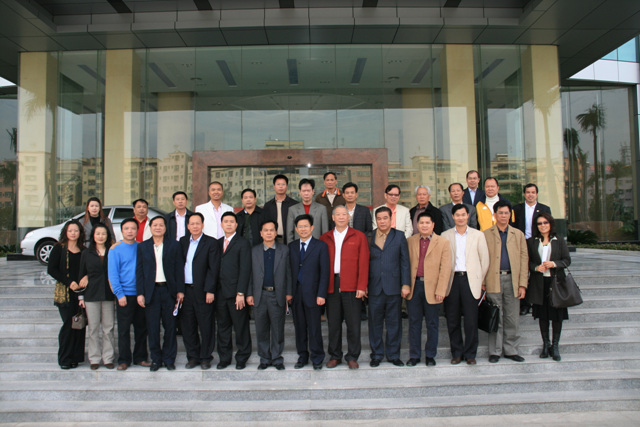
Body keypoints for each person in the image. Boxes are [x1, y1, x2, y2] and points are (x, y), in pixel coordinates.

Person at [320, 205, 369, 369]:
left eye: (344, 214)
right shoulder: (325, 237)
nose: (341, 217)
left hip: (352, 285)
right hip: (332, 285)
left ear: (349, 217)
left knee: (353, 324)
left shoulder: (359, 236)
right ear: (333, 218)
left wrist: (362, 286)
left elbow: (364, 263)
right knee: (333, 324)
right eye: (338, 214)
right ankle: (335, 356)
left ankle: (352, 356)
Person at [441, 204, 490, 365]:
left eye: (463, 215)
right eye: (457, 215)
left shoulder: (478, 235)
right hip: (452, 280)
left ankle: (470, 354)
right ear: (453, 217)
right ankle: (456, 353)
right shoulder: (445, 235)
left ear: (468, 216)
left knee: (471, 320)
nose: (460, 218)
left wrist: (481, 280)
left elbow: (485, 260)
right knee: (452, 319)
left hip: (471, 280)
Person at [136, 216, 185, 371]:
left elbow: (179, 269)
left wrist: (180, 290)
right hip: (151, 292)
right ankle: (156, 359)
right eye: (155, 225)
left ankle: (169, 359)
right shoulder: (143, 246)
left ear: (165, 228)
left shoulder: (174, 245)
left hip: (169, 291)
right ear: (150, 228)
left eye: (161, 225)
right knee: (153, 328)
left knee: (170, 327)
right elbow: (139, 271)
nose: (158, 227)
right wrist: (140, 293)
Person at [483, 201, 528, 364]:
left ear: (511, 215)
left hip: (513, 280)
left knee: (512, 317)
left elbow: (524, 259)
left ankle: (511, 350)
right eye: (500, 213)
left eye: (506, 213)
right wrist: (483, 282)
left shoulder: (518, 234)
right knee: (496, 316)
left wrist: (523, 284)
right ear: (495, 215)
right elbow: (481, 259)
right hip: (493, 280)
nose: (503, 216)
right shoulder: (486, 234)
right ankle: (495, 351)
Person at [404, 211, 451, 367]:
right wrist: (405, 285)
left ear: (433, 225)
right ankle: (414, 355)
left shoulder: (443, 242)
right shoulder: (410, 241)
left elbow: (445, 268)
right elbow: (405, 265)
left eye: (427, 223)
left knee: (432, 323)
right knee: (414, 323)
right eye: (421, 223)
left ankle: (430, 355)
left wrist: (441, 290)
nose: (424, 225)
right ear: (417, 225)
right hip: (414, 286)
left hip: (433, 288)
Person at [247, 220, 293, 370]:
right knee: (261, 329)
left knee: (278, 328)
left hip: (277, 295)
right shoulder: (254, 251)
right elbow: (249, 274)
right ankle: (265, 358)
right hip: (259, 295)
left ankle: (277, 358)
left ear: (275, 232)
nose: (268, 233)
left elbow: (289, 273)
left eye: (271, 230)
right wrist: (249, 293)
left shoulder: (284, 250)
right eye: (265, 230)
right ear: (261, 233)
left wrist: (289, 292)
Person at [367, 206, 410, 367]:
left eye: (385, 218)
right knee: (375, 323)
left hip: (393, 287)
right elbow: (364, 262)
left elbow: (405, 261)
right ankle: (376, 354)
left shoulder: (399, 236)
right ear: (375, 220)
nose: (382, 221)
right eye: (379, 218)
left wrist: (405, 284)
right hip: (374, 287)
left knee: (394, 323)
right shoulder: (369, 237)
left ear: (391, 219)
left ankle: (393, 355)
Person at [527, 212, 571, 362]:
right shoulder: (532, 242)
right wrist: (535, 268)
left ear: (550, 224)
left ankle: (555, 346)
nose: (543, 225)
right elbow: (528, 261)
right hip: (539, 283)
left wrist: (554, 264)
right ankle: (546, 344)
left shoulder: (559, 240)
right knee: (543, 316)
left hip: (556, 283)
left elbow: (567, 260)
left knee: (557, 316)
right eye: (539, 223)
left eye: (545, 222)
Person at [289, 214, 329, 370]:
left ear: (312, 228)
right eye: (300, 226)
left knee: (314, 327)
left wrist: (321, 294)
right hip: (296, 293)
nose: (303, 229)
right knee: (299, 327)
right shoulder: (291, 246)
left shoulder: (321, 246)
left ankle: (317, 357)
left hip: (313, 293)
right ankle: (302, 356)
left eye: (306, 226)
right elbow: (288, 272)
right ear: (296, 229)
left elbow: (324, 272)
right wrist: (288, 293)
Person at [108, 218, 150, 370]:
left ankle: (140, 358)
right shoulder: (115, 249)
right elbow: (112, 274)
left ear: (137, 230)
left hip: (140, 294)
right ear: (122, 231)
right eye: (127, 228)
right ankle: (124, 360)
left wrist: (143, 292)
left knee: (141, 328)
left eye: (133, 228)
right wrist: (119, 294)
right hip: (124, 295)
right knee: (124, 329)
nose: (130, 231)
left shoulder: (142, 247)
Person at [180, 212, 219, 370]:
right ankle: (193, 357)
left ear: (202, 225)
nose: (195, 226)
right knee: (188, 326)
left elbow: (213, 268)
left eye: (198, 223)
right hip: (186, 290)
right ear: (188, 226)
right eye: (192, 224)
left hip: (203, 291)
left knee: (206, 325)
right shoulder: (182, 242)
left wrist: (210, 290)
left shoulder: (211, 242)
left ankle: (205, 357)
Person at [48, 219, 86, 370]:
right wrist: (69, 282)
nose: (73, 233)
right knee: (68, 325)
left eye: (76, 230)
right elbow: (52, 269)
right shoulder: (59, 248)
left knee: (79, 325)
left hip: (81, 293)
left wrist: (87, 277)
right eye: (70, 231)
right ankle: (64, 358)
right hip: (65, 293)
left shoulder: (83, 249)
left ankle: (75, 357)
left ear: (80, 233)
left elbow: (89, 268)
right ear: (65, 232)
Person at [216, 211, 252, 370]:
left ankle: (242, 357)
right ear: (221, 224)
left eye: (232, 221)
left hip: (236, 294)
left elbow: (245, 269)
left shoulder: (243, 243)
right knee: (222, 328)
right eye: (226, 221)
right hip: (220, 293)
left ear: (237, 224)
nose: (229, 224)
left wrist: (241, 293)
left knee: (240, 327)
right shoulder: (217, 243)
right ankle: (224, 358)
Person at [78, 223, 115, 370]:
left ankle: (108, 358)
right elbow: (81, 274)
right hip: (91, 294)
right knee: (93, 329)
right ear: (93, 236)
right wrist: (81, 297)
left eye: (103, 234)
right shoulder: (87, 253)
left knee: (108, 328)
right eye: (98, 233)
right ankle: (94, 358)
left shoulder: (112, 251)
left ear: (107, 236)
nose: (101, 236)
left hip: (108, 294)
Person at [512, 183, 551, 315]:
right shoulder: (516, 209)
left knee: (536, 272)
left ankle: (537, 302)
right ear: (524, 194)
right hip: (521, 243)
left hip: (537, 244)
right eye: (528, 192)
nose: (530, 195)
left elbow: (549, 227)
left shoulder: (544, 209)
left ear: (537, 194)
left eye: (533, 192)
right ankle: (524, 304)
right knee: (522, 273)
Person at [263, 174, 299, 244]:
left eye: (283, 184)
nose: (281, 186)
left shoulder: (294, 204)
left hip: (290, 239)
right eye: (278, 184)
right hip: (272, 240)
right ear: (274, 186)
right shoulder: (268, 205)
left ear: (287, 186)